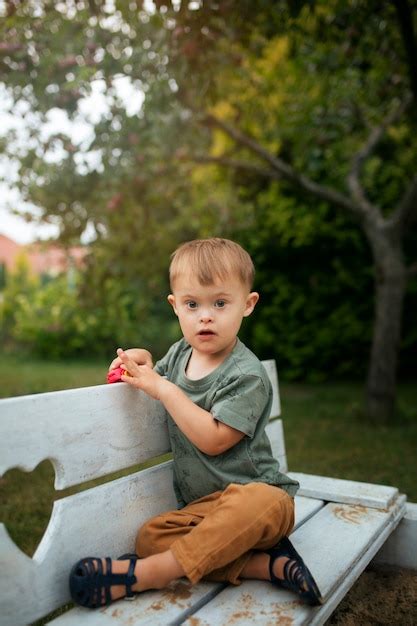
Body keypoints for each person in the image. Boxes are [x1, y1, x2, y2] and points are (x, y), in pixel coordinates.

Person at [69, 238, 322, 609]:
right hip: (205, 512)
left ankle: (148, 575)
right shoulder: (181, 353)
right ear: (175, 306)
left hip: (259, 499)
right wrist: (141, 362)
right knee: (151, 536)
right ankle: (266, 566)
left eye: (220, 303)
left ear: (247, 305)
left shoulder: (247, 375)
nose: (206, 315)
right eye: (192, 304)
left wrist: (164, 389)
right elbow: (159, 376)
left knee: (261, 501)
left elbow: (214, 439)